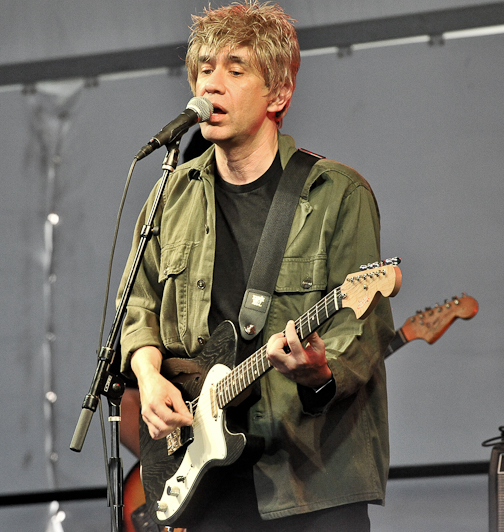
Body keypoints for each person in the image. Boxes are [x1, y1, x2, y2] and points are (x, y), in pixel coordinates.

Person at [116, 2, 394, 531]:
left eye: (235, 69)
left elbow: (363, 335)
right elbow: (138, 305)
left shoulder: (335, 193)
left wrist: (319, 371)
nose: (211, 85)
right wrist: (149, 378)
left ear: (279, 93)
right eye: (203, 70)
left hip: (310, 483)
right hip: (204, 483)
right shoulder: (169, 195)